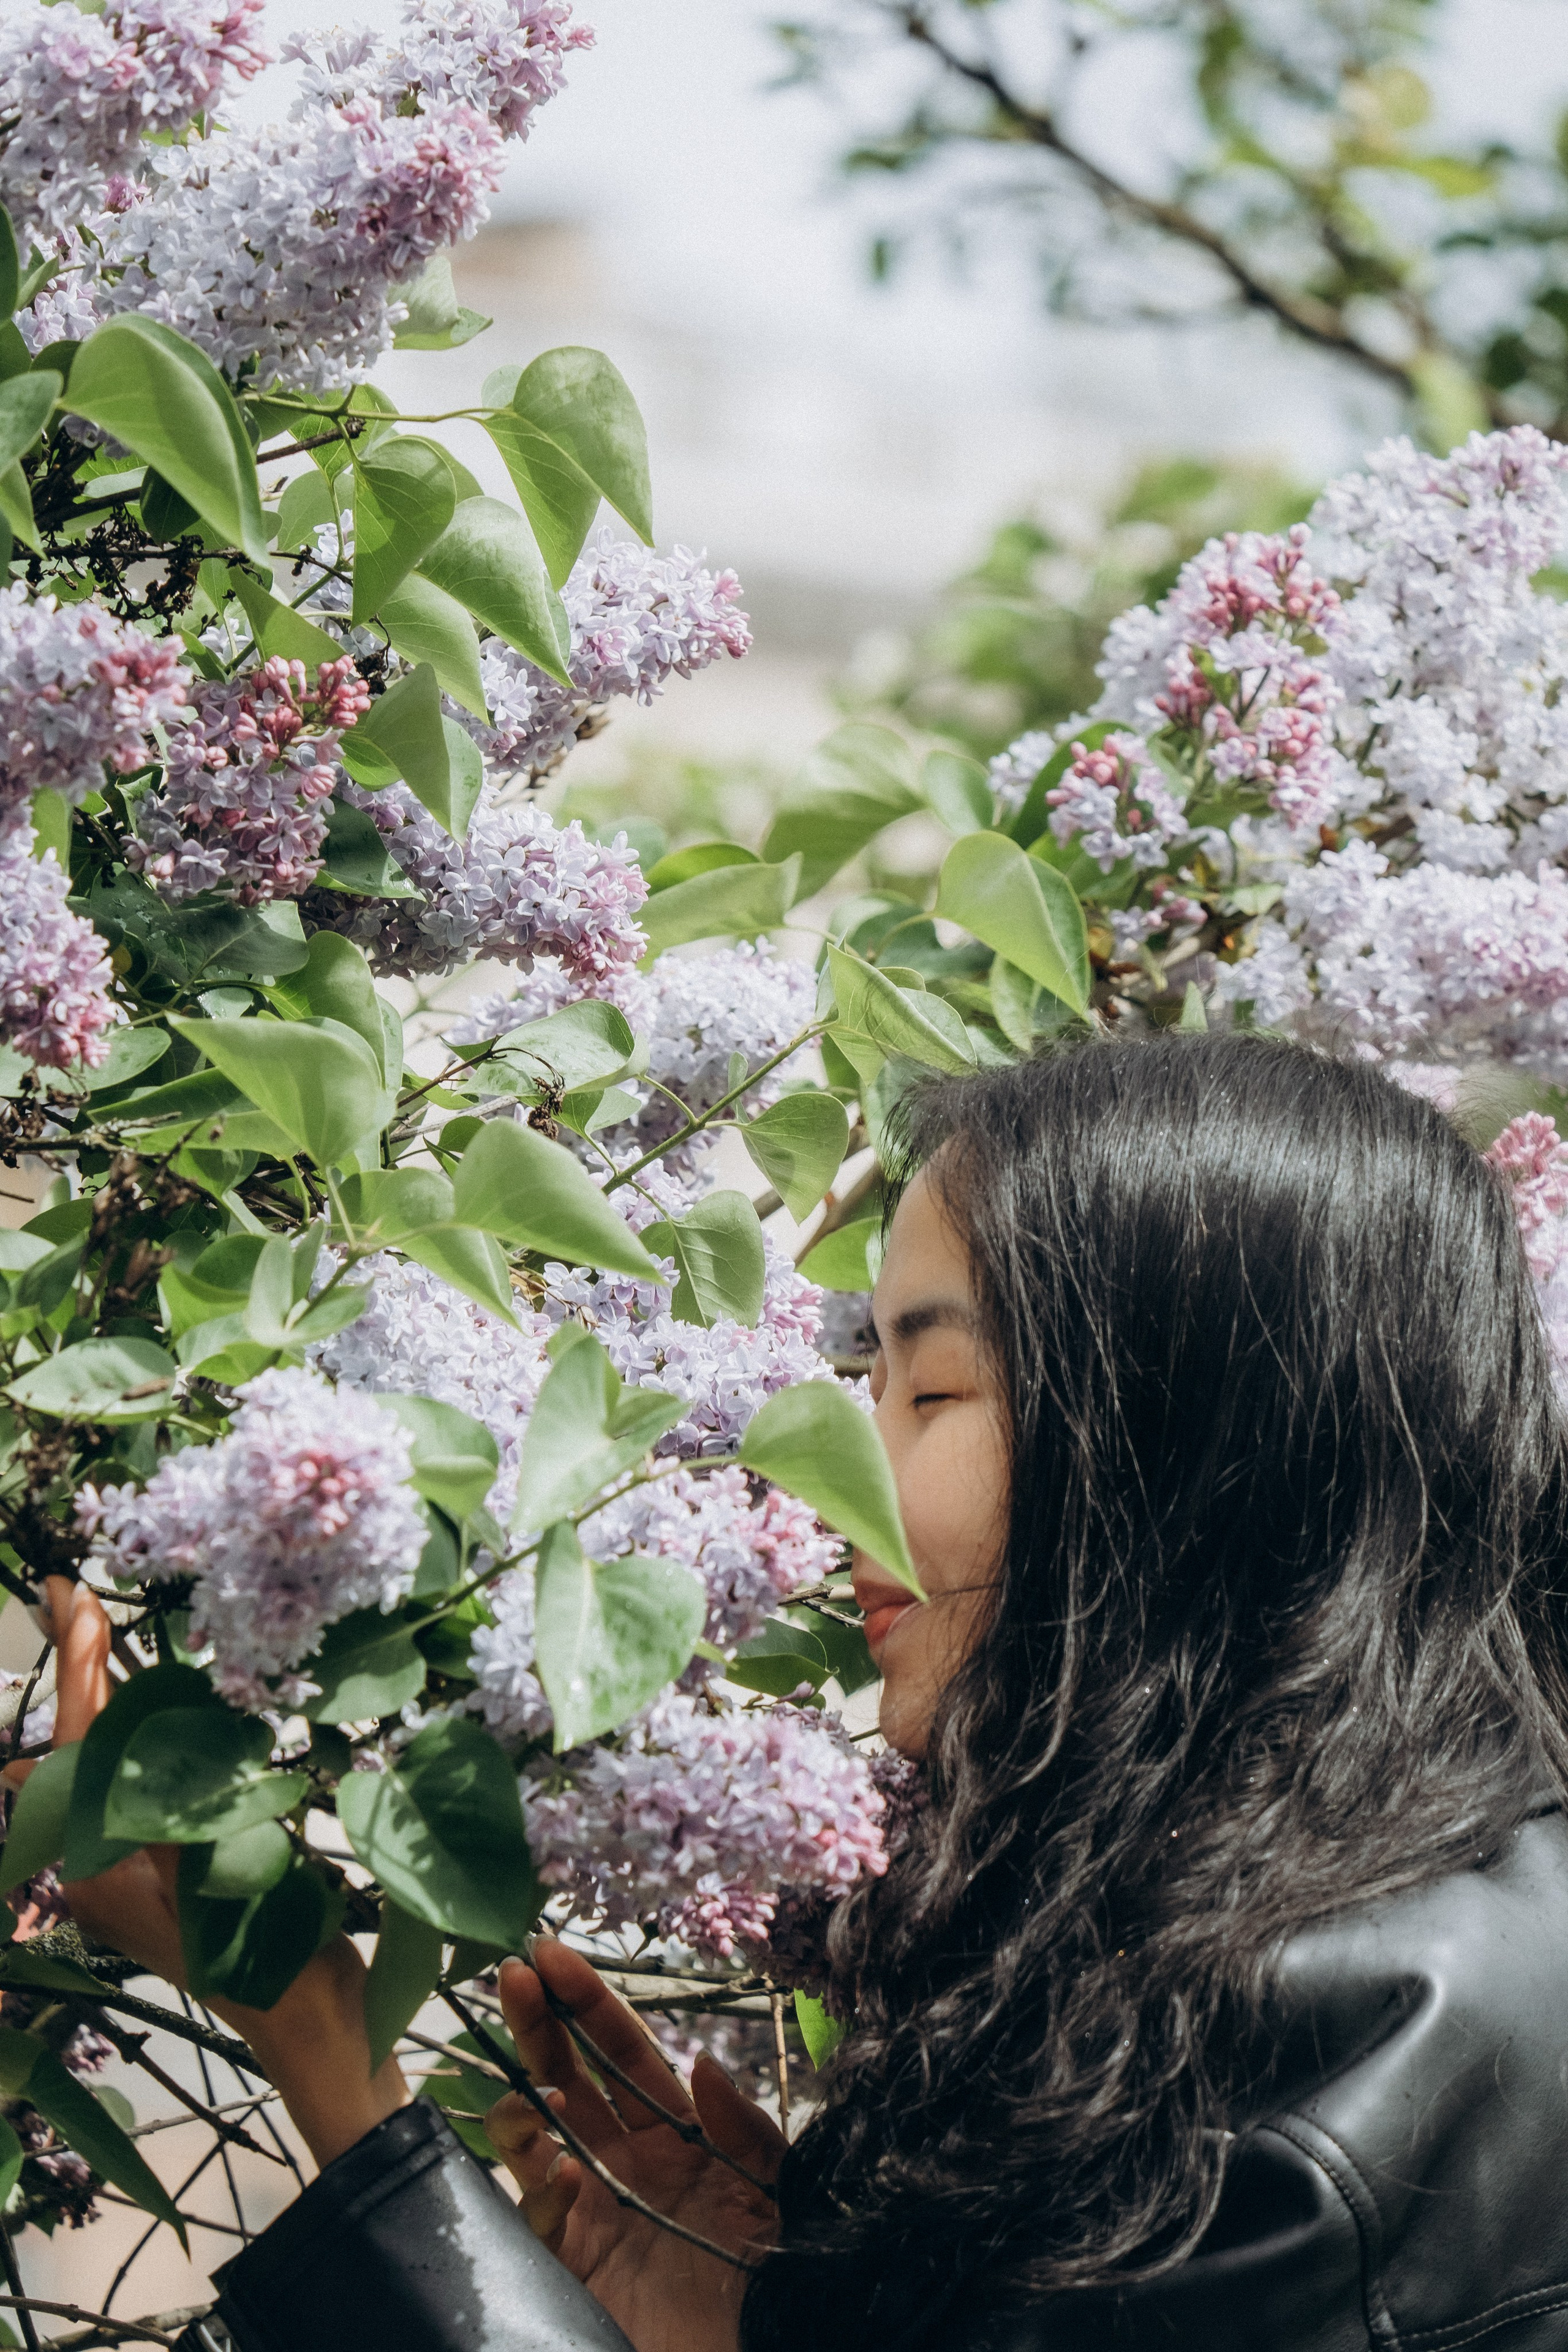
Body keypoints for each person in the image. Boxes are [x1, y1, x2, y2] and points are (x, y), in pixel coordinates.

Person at [37, 1032, 1568, 2352]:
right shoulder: (1320, 1940)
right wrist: (787, 2314)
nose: (830, 1477)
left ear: (1185, 1449)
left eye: (931, 1388)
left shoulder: (1315, 2087)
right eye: (863, 1381)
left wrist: (329, 2058)